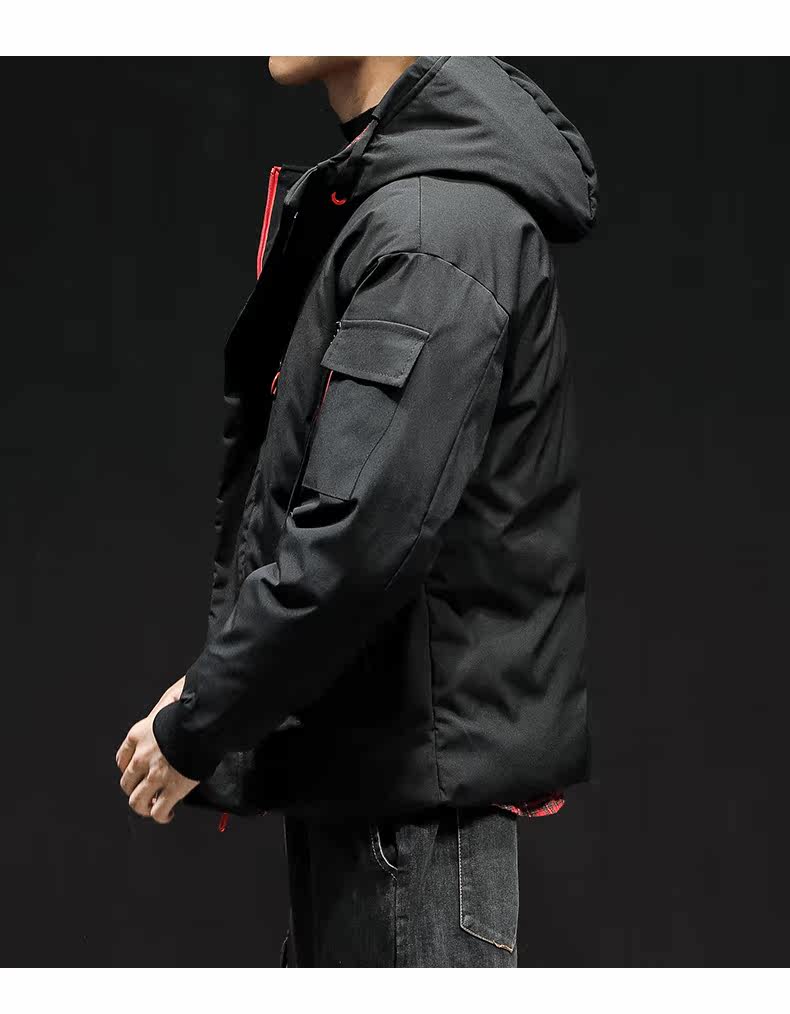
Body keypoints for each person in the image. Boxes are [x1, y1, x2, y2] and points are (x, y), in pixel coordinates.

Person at [115, 55, 597, 967]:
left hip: (408, 844)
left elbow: (358, 542)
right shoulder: (397, 209)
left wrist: (205, 715)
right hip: (378, 827)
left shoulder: (437, 230)